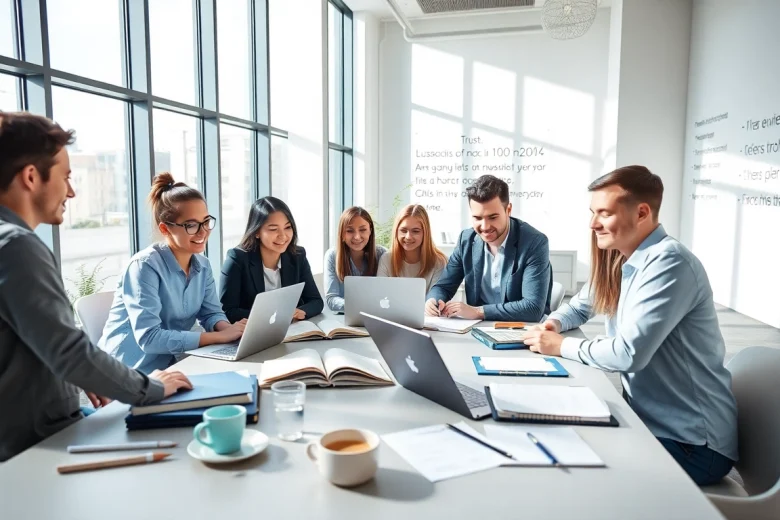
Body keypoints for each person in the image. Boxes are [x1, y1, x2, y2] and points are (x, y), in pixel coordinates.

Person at [523, 165, 738, 486]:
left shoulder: (670, 263)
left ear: (641, 213)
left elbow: (628, 354)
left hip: (693, 445)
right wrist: (552, 324)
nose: (593, 224)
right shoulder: (620, 257)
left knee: (566, 467)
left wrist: (561, 345)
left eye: (605, 213)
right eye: (593, 212)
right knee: (549, 436)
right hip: (647, 423)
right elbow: (580, 306)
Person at [0, 111, 192, 462]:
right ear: (31, 177)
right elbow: (69, 352)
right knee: (182, 446)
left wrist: (77, 377)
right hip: (40, 440)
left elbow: (37, 340)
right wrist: (150, 387)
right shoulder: (16, 247)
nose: (71, 191)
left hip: (41, 422)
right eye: (66, 177)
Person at [99, 173, 246, 374]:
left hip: (171, 367)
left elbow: (211, 313)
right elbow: (149, 338)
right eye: (191, 225)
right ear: (165, 229)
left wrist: (230, 330)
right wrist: (216, 337)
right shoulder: (144, 267)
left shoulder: (202, 266)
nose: (203, 232)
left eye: (206, 222)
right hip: (127, 372)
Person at [425, 175, 552, 321]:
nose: (485, 227)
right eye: (477, 218)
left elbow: (532, 308)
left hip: (520, 327)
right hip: (477, 327)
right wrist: (433, 301)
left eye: (492, 217)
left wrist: (479, 311)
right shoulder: (466, 240)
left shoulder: (534, 242)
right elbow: (443, 287)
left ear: (508, 210)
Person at [220, 196, 323, 322]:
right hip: (254, 330)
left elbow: (316, 301)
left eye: (287, 227)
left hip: (292, 328)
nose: (283, 236)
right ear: (257, 232)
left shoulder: (297, 255)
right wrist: (274, 315)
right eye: (274, 229)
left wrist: (301, 311)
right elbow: (228, 311)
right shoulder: (237, 259)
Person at [323, 206, 386, 312]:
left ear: (370, 231)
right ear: (342, 234)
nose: (357, 236)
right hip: (344, 317)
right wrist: (361, 307)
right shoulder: (332, 256)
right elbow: (331, 299)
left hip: (376, 315)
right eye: (349, 231)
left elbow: (387, 295)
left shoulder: (382, 254)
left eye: (363, 230)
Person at [377, 204, 447, 293]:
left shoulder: (439, 262)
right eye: (403, 230)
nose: (408, 237)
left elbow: (436, 297)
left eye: (415, 231)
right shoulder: (387, 259)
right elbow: (380, 294)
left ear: (425, 233)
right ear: (396, 231)